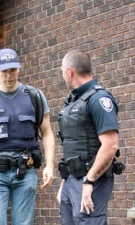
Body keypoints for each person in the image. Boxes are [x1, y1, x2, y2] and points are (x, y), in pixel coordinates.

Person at [0, 48, 55, 225]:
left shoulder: (34, 96)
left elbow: (47, 132)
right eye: (5, 70)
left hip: (25, 172)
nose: (9, 75)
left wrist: (50, 165)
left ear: (19, 69)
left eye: (13, 70)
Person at [57, 49, 119, 225]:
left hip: (91, 180)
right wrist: (64, 182)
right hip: (71, 180)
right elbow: (70, 144)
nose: (62, 75)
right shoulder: (73, 102)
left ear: (70, 71)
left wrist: (89, 181)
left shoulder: (99, 99)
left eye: (62, 71)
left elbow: (111, 145)